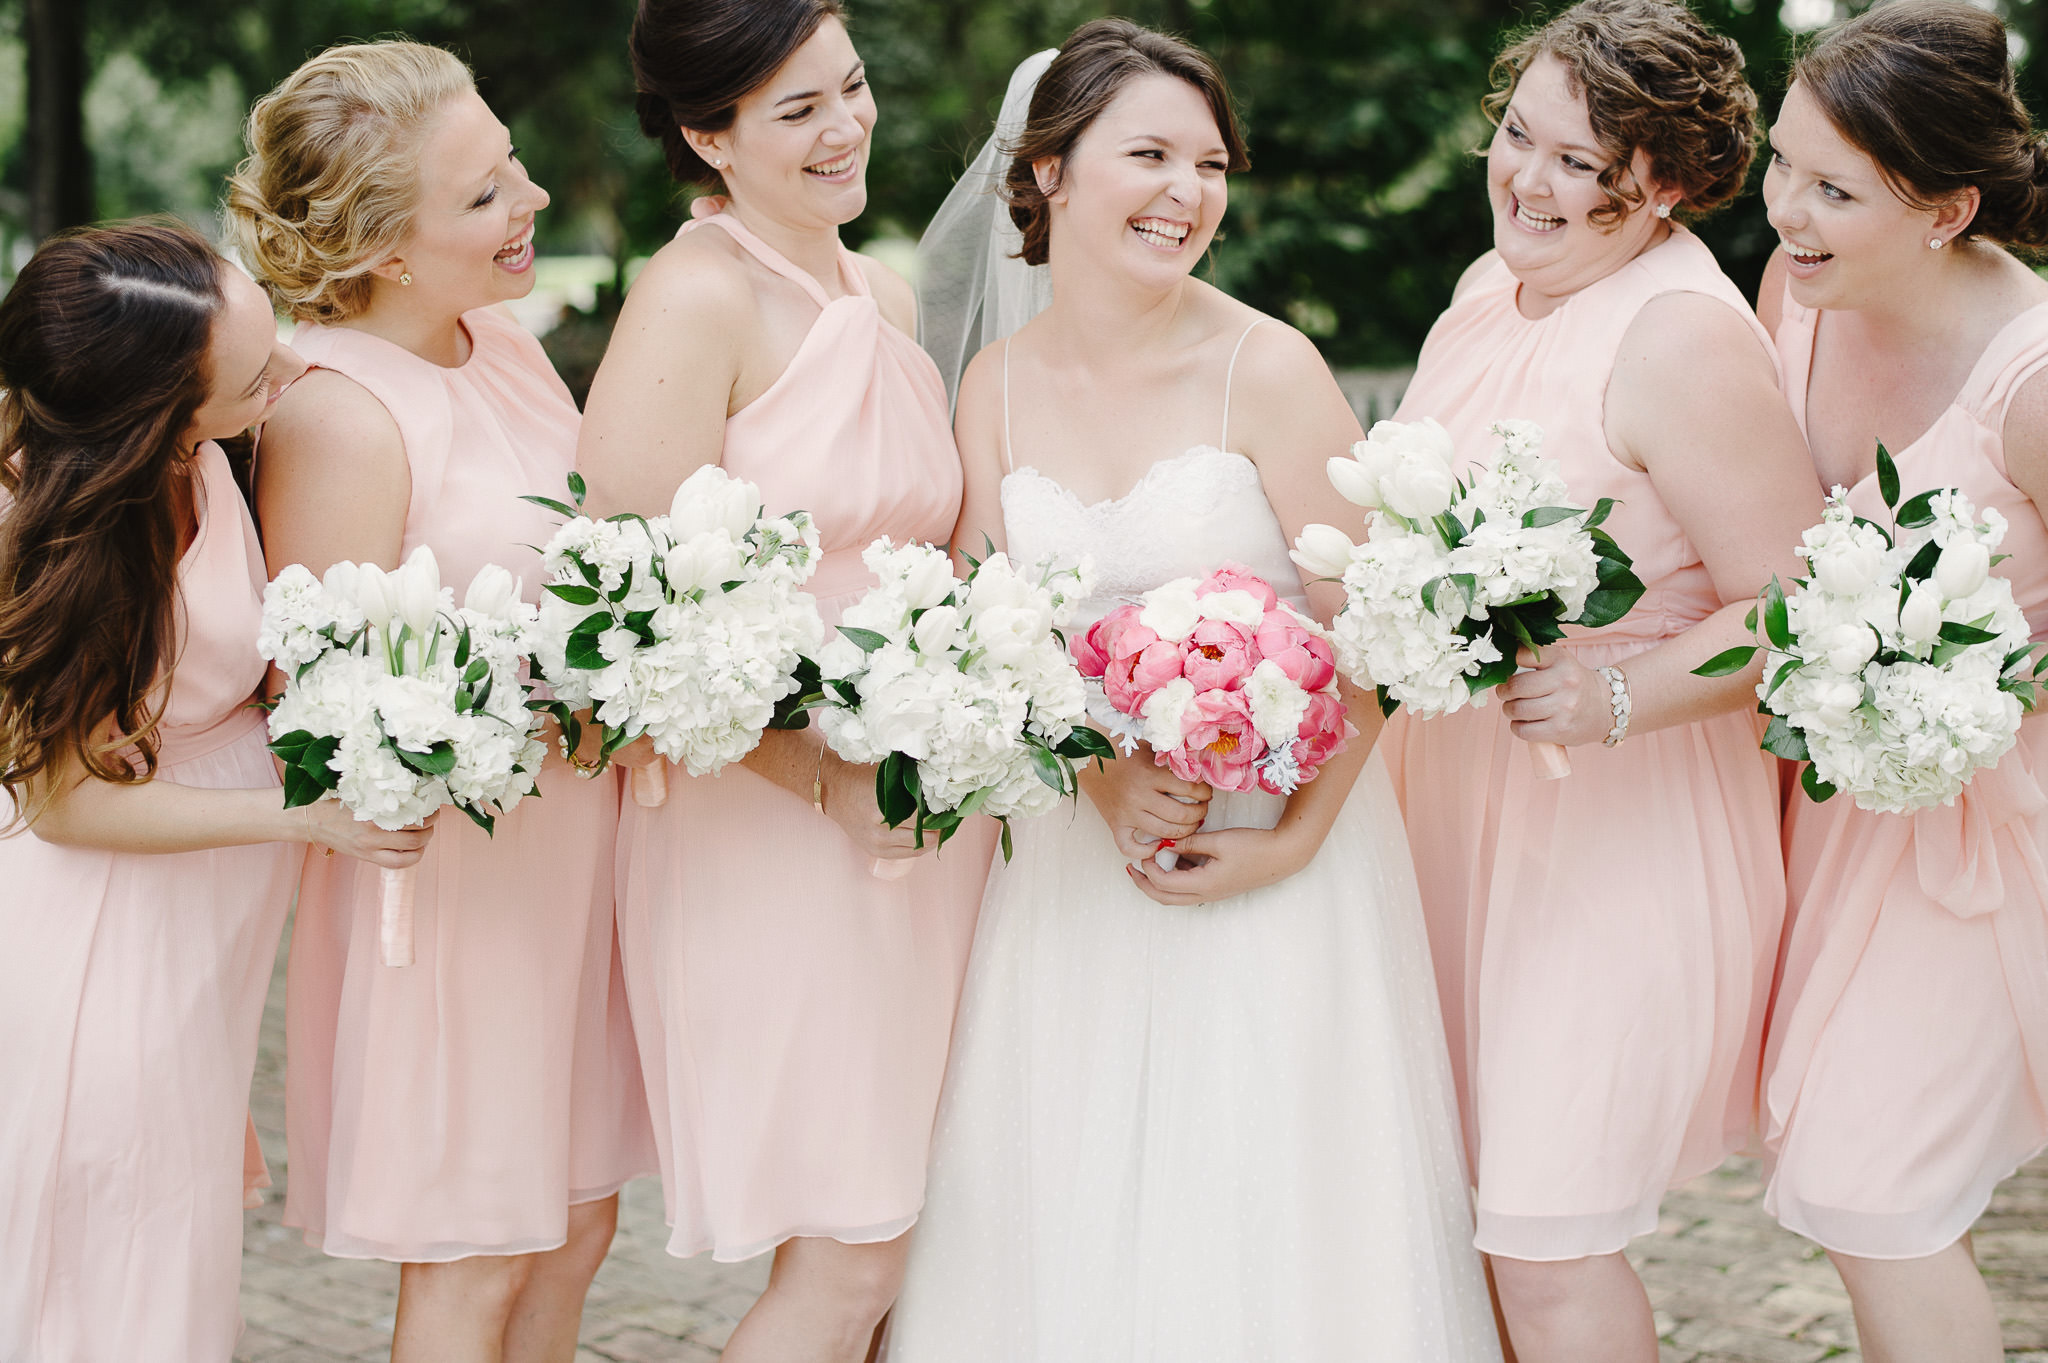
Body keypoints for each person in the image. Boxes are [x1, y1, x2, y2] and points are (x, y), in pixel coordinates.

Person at [882, 21, 1503, 1359]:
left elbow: (1380, 635)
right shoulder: (988, 388)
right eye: (1150, 153)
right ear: (1044, 170)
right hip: (1075, 864)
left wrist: (1288, 837)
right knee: (1064, 1205)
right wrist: (1099, 767)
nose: (1189, 191)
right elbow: (990, 641)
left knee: (1266, 1210)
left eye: (1211, 163)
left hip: (1279, 863)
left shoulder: (1264, 366)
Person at [1376, 2, 1824, 1358]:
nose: (1529, 179)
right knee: (1467, 1214)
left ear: (1670, 183)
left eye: (1583, 164)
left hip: (1611, 836)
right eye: (1521, 136)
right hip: (1452, 822)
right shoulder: (1480, 293)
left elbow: (1797, 601)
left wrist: (1619, 691)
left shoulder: (1678, 334)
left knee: (1547, 1235)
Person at [575, 2, 998, 1357]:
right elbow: (619, 613)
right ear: (710, 133)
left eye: (853, 88)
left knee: (904, 1229)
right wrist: (817, 770)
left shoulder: (875, 294)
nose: (847, 126)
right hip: (770, 814)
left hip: (923, 804)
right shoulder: (696, 296)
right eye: (798, 108)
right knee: (854, 1241)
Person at [226, 42, 651, 1363]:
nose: (526, 197)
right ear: (384, 250)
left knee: (576, 1227)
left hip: (575, 855)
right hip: (451, 889)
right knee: (474, 1257)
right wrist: (523, 709)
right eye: (482, 196)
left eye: (509, 161)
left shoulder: (506, 344)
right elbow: (327, 703)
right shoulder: (337, 413)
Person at [0, 220, 430, 1362]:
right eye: (253, 375)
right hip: (104, 929)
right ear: (161, 415)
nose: (290, 368)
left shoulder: (208, 459)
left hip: (202, 933)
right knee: (107, 1248)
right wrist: (300, 815)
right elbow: (65, 803)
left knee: (167, 1232)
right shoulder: (71, 534)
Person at [1757, 4, 2048, 1357]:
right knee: (1873, 1182)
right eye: (1782, 164)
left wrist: (1962, 672)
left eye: (1833, 190)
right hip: (1839, 813)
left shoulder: (2031, 379)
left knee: (1872, 1185)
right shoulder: (1793, 297)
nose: (1787, 212)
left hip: (1993, 830)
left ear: (1945, 207)